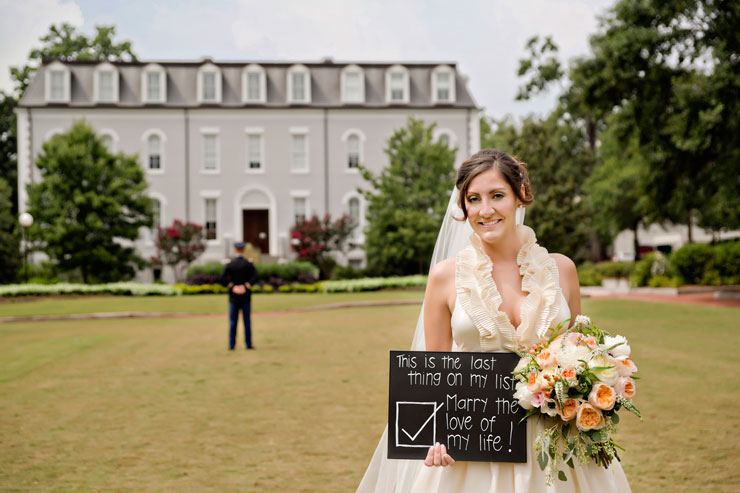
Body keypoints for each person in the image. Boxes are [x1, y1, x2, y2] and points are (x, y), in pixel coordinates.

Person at [357, 149, 631, 492]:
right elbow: (431, 373)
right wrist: (431, 439)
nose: (485, 210)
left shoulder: (562, 270)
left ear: (520, 196)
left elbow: (580, 349)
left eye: (497, 195)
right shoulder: (444, 278)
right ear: (464, 207)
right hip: (473, 449)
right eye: (474, 199)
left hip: (555, 451)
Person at [220, 242, 259, 350]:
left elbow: (222, 278)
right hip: (246, 296)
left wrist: (232, 286)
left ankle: (232, 345)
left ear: (235, 250)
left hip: (233, 297)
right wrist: (246, 286)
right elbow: (255, 277)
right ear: (243, 250)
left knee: (233, 322)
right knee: (247, 322)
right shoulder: (248, 264)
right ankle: (248, 344)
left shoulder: (230, 264)